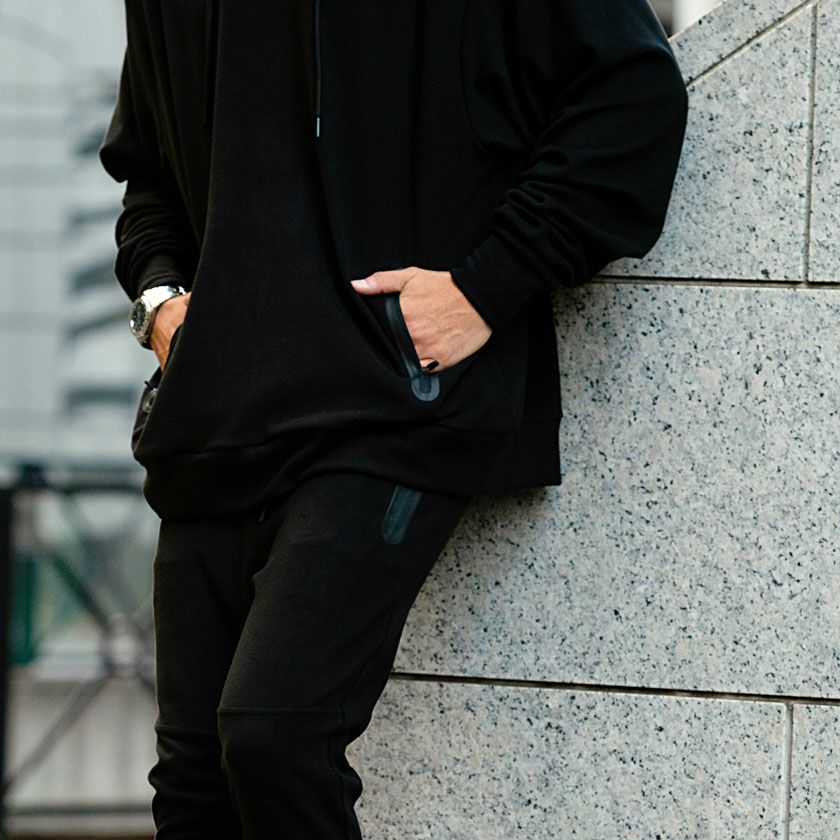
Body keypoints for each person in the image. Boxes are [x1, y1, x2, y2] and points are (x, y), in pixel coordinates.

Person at [99, 1, 688, 836]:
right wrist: (160, 300)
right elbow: (147, 173)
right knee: (193, 787)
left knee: (273, 733)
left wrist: (486, 285)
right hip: (217, 415)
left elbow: (632, 95)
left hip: (392, 408)